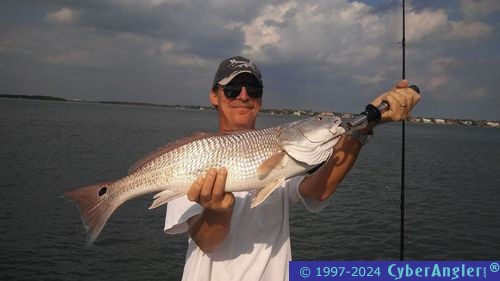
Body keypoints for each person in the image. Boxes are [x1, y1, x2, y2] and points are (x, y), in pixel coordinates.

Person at [164, 56, 421, 281]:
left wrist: (365, 126)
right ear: (214, 96)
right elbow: (207, 242)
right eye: (232, 89)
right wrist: (217, 213)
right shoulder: (191, 156)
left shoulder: (287, 156)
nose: (244, 95)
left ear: (261, 99)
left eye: (253, 88)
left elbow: (318, 190)